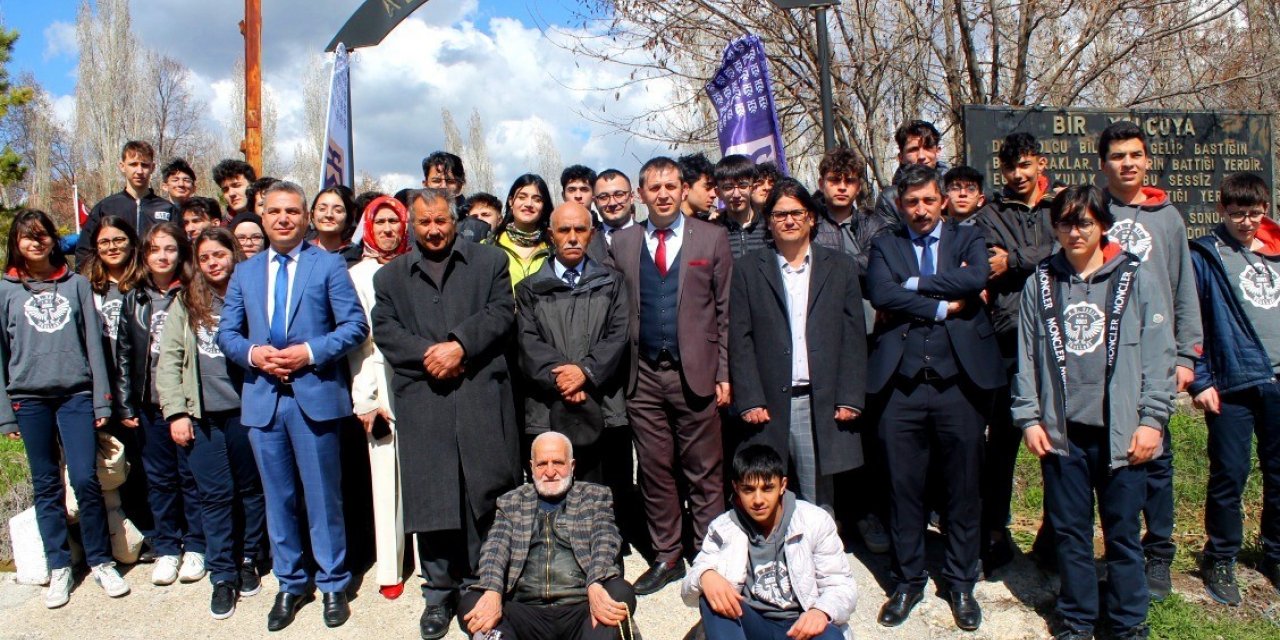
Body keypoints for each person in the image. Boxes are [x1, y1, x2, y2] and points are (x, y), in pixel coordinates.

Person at [1013, 185, 1174, 640]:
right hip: (1063, 434)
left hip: (1122, 433)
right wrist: (1029, 418)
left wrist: (1151, 420)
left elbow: (1160, 356)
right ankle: (1078, 619)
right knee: (1071, 534)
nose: (1074, 231)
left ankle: (1127, 622)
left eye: (1084, 221)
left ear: (1102, 224)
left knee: (1122, 534)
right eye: (1064, 222)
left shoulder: (1135, 278)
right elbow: (1026, 355)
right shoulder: (1040, 284)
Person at [216, 181, 369, 631]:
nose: (283, 219)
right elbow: (228, 333)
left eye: (292, 212)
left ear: (305, 218)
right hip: (264, 399)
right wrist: (252, 354)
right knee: (277, 498)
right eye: (275, 211)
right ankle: (290, 582)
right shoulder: (245, 273)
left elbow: (354, 325)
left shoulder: (328, 265)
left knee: (324, 497)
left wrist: (309, 352)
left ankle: (333, 583)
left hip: (314, 395)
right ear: (261, 217)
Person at [370, 188, 521, 639]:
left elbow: (501, 313)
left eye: (441, 220)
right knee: (432, 497)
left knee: (484, 492)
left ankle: (484, 583)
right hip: (425, 398)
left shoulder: (489, 263)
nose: (433, 230)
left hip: (478, 393)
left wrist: (460, 345)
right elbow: (385, 331)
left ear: (454, 220)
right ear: (410, 226)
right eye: (424, 223)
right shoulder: (391, 277)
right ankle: (439, 593)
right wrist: (430, 354)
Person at [865, 164, 1002, 631]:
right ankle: (908, 580)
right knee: (903, 489)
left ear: (942, 200)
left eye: (928, 200)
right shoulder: (885, 244)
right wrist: (944, 303)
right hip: (900, 385)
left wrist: (914, 285)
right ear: (899, 206)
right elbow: (880, 291)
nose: (920, 210)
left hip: (959, 383)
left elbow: (976, 277)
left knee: (964, 487)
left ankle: (962, 582)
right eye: (911, 203)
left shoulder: (968, 238)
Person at [608, 156, 733, 596]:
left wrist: (724, 372)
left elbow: (724, 311)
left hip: (695, 374)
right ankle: (667, 555)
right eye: (653, 187)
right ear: (640, 195)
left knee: (704, 472)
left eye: (669, 186)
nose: (661, 194)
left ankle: (708, 556)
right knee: (657, 471)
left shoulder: (713, 239)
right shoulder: (623, 243)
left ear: (683, 191)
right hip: (642, 377)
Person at [0, 210, 129, 607]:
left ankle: (100, 560)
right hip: (29, 398)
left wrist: (100, 398)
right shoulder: (4, 289)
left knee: (87, 479)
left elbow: (93, 342)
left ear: (55, 241)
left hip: (76, 395)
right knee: (46, 484)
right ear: (16, 243)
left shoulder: (74, 285)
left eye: (43, 235)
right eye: (28, 236)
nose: (36, 242)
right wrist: (6, 413)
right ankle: (59, 565)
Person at [1097, 120, 1203, 600]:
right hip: (1102, 356)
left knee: (1156, 458)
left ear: (1146, 160)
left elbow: (1184, 288)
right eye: (1118, 156)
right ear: (1104, 164)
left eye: (1136, 154)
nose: (1128, 163)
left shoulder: (1169, 218)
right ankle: (1107, 549)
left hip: (1155, 354)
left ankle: (1158, 550)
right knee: (1105, 457)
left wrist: (1186, 354)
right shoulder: (1094, 213)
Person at [729, 178, 866, 513]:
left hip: (817, 396)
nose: (788, 220)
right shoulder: (748, 269)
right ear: (768, 221)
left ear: (811, 218)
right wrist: (749, 398)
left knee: (816, 495)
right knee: (764, 488)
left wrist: (850, 396)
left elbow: (853, 337)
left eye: (796, 213)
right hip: (768, 401)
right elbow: (740, 338)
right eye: (779, 214)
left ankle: (818, 559)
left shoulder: (841, 267)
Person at [155, 227, 268, 620]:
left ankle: (250, 558)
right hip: (202, 416)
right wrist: (176, 412)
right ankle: (222, 573)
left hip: (247, 410)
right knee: (215, 494)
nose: (213, 262)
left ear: (233, 254)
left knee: (251, 490)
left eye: (220, 254)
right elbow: (168, 360)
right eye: (205, 258)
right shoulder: (186, 303)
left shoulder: (253, 295)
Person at [1189, 172, 1280, 605]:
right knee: (1230, 472)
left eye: (1255, 213)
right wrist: (1201, 379)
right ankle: (1220, 554)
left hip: (1278, 379)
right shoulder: (1206, 256)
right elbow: (1193, 320)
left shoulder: (1277, 251)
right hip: (1233, 383)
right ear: (1221, 209)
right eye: (1238, 213)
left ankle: (1274, 551)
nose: (1247, 222)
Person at [972, 132, 1057, 575]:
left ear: (1040, 163)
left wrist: (1019, 260)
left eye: (1026, 165)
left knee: (1058, 440)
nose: (1019, 175)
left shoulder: (1061, 205)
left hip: (1059, 337)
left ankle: (1055, 531)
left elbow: (1070, 249)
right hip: (1007, 338)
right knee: (1002, 442)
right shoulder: (988, 215)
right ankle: (995, 529)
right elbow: (991, 261)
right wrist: (1040, 257)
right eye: (1010, 168)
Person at [459, 431, 638, 640]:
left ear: (571, 466)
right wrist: (492, 591)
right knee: (471, 602)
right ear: (532, 466)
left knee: (620, 593)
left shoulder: (594, 497)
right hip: (523, 610)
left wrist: (596, 583)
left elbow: (605, 539)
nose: (550, 471)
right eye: (542, 464)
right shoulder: (512, 502)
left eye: (558, 463)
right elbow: (495, 548)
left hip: (582, 607)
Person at [682, 445, 857, 640]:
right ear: (736, 487)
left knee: (830, 637)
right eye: (748, 490)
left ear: (782, 485)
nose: (758, 500)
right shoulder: (723, 527)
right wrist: (705, 575)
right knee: (711, 594)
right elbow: (690, 586)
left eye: (767, 488)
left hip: (800, 626)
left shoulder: (814, 521)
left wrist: (820, 611)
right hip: (751, 624)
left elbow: (841, 585)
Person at [809, 147, 892, 556]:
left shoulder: (875, 223)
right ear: (822, 183)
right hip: (823, 338)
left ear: (859, 186)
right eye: (834, 180)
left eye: (849, 181)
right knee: (828, 428)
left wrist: (836, 262)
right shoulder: (809, 221)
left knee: (868, 431)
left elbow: (879, 267)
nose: (841, 188)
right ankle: (832, 515)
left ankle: (867, 512)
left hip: (870, 336)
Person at [119, 222, 208, 587]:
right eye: (155, 249)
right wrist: (125, 405)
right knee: (160, 479)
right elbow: (124, 353)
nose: (162, 256)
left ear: (181, 252)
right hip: (148, 403)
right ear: (144, 254)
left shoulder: (192, 293)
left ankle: (197, 546)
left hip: (187, 401)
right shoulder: (133, 297)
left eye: (170, 248)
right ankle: (168, 546)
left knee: (191, 477)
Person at [516, 202, 630, 482]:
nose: (572, 237)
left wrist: (585, 373)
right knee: (553, 493)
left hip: (604, 408)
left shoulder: (612, 283)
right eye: (564, 230)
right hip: (547, 410)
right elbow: (527, 342)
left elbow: (619, 335)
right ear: (550, 235)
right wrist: (564, 379)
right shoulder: (529, 289)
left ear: (592, 234)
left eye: (580, 229)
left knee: (607, 497)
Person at [346, 195, 411, 600]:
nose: (388, 230)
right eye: (381, 222)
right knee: (385, 473)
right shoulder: (356, 275)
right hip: (378, 377)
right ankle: (391, 565)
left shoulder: (415, 266)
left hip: (418, 378)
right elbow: (359, 345)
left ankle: (428, 559)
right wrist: (364, 398)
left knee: (422, 473)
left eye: (395, 222)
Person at [76, 140, 178, 262]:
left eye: (144, 165)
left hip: (156, 279)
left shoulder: (167, 209)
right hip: (115, 280)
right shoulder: (105, 207)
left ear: (152, 168)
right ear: (122, 166)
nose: (139, 171)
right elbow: (84, 251)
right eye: (133, 164)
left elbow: (181, 249)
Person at [873, 120, 950, 226]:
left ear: (937, 151)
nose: (922, 156)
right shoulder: (890, 199)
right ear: (901, 157)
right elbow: (886, 239)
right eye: (913, 150)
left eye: (927, 147)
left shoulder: (954, 192)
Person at [493, 173, 554, 288]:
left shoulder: (553, 249)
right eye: (522, 197)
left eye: (537, 199)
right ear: (511, 201)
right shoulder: (490, 245)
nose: (529, 204)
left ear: (544, 206)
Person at [714, 155, 768, 259]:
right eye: (728, 187)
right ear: (718, 192)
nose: (736, 195)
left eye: (743, 186)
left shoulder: (769, 227)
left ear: (753, 188)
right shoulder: (711, 230)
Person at [588, 169, 639, 262]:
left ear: (631, 197)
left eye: (619, 195)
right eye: (604, 197)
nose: (612, 203)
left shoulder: (651, 237)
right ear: (595, 202)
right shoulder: (586, 243)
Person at [310, 186, 358, 253]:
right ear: (312, 214)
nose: (329, 215)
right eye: (322, 209)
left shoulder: (357, 257)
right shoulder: (299, 253)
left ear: (348, 217)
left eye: (338, 211)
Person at [679, 152, 718, 221]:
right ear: (685, 188)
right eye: (707, 187)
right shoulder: (663, 224)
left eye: (714, 188)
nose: (714, 195)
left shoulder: (711, 224)